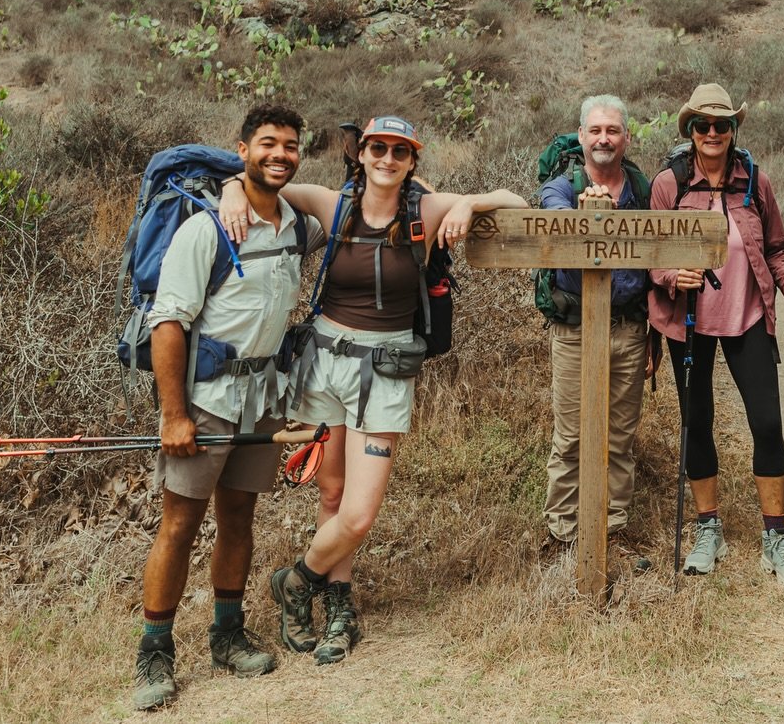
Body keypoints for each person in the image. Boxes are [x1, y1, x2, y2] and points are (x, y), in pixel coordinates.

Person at [219, 114, 526, 664]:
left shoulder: (424, 210)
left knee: (359, 513)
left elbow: (515, 199)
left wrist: (467, 204)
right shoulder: (331, 203)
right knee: (332, 496)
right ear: (360, 153)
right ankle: (339, 607)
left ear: (413, 161)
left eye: (399, 152)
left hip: (384, 370)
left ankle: (296, 582)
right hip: (324, 364)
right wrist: (230, 187)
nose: (387, 159)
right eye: (377, 148)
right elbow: (258, 173)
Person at [135, 104, 320, 712]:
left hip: (261, 401)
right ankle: (154, 652)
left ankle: (228, 632)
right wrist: (173, 415)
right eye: (267, 144)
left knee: (239, 519)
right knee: (180, 524)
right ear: (241, 149)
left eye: (290, 146)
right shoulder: (206, 229)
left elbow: (362, 201)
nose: (280, 155)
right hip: (206, 401)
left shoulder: (297, 227)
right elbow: (168, 324)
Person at [648, 83, 784, 586]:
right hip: (688, 322)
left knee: (767, 423)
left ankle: (775, 537)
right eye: (703, 125)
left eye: (722, 124)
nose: (713, 132)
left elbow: (779, 248)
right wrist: (677, 277)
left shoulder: (754, 182)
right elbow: (652, 256)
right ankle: (707, 527)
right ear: (691, 131)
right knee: (697, 422)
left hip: (747, 317)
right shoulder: (668, 184)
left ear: (734, 129)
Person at [540, 95, 653, 570]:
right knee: (570, 437)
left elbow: (656, 262)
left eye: (613, 130)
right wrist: (583, 218)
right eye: (596, 131)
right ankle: (562, 534)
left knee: (619, 438)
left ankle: (614, 530)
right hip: (573, 331)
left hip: (629, 329)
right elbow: (550, 219)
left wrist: (657, 338)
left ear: (626, 137)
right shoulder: (562, 186)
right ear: (582, 136)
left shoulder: (642, 189)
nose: (604, 139)